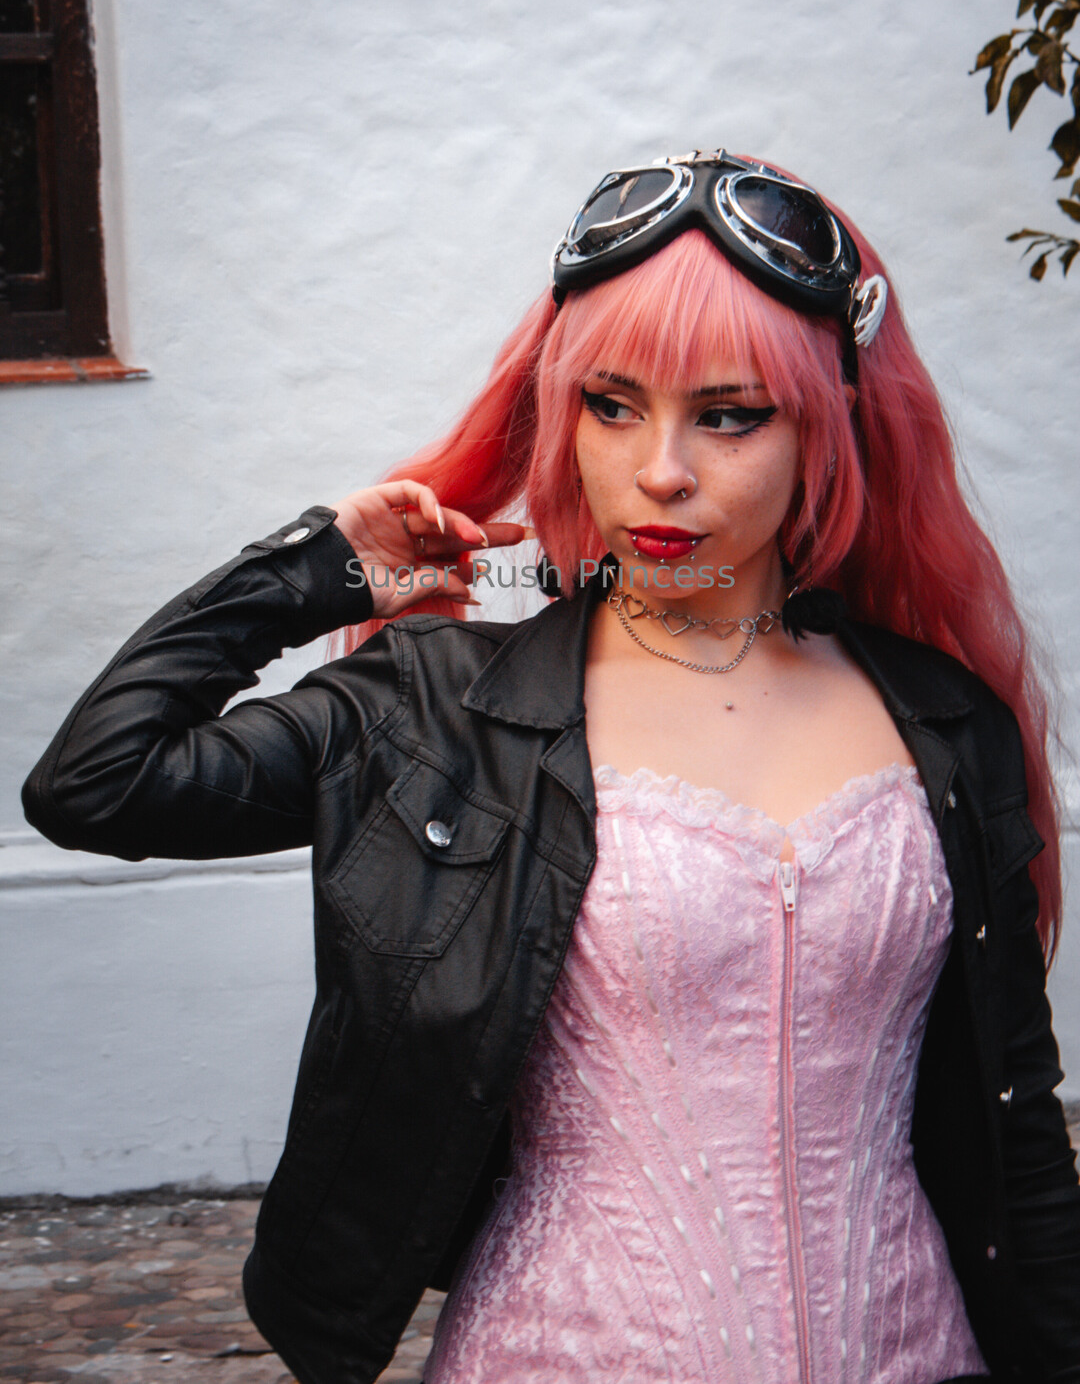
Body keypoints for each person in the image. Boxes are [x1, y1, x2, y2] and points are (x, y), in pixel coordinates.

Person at [23, 150, 1080, 1384]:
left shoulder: (943, 722)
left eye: (730, 414)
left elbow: (1017, 1124)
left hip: (917, 1349)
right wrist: (313, 572)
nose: (661, 469)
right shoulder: (437, 713)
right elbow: (99, 781)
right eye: (613, 406)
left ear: (828, 423)